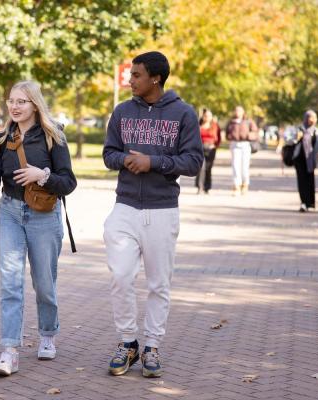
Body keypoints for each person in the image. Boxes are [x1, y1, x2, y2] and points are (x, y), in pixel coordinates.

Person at [0, 80, 76, 376]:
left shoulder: (53, 137)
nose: (14, 106)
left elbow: (68, 183)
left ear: (35, 105)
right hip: (9, 213)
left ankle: (47, 333)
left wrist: (43, 175)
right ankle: (9, 351)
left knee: (44, 284)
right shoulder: (0, 139)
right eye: (11, 100)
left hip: (44, 217)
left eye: (21, 101)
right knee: (11, 283)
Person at [102, 51, 203, 378]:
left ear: (155, 78)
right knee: (120, 277)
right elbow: (108, 153)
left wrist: (153, 162)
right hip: (125, 207)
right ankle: (128, 341)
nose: (130, 80)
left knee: (159, 283)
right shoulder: (122, 111)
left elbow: (193, 162)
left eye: (136, 75)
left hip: (162, 210)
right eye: (130, 75)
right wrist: (126, 161)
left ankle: (152, 346)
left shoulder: (183, 114)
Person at [293, 110, 318, 212]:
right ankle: (303, 203)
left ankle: (311, 203)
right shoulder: (299, 129)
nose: (313, 120)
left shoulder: (317, 131)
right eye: (311, 117)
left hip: (310, 160)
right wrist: (296, 138)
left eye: (314, 118)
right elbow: (289, 140)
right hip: (300, 159)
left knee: (310, 181)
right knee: (301, 181)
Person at [225, 106, 258, 195]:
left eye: (239, 111)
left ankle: (245, 185)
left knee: (245, 166)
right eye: (236, 111)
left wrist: (249, 135)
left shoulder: (248, 121)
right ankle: (236, 186)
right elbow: (227, 133)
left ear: (243, 112)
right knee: (235, 166)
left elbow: (255, 132)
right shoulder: (231, 122)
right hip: (235, 144)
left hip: (245, 144)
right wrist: (230, 136)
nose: (237, 112)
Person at [195, 108, 221, 194]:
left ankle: (207, 188)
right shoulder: (198, 125)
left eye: (209, 116)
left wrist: (216, 145)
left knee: (208, 168)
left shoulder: (215, 125)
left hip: (211, 149)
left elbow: (219, 138)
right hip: (200, 148)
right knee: (201, 168)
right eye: (206, 116)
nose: (207, 117)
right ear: (203, 116)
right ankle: (200, 187)